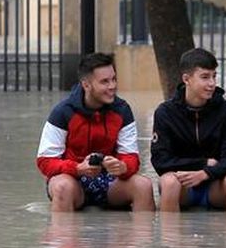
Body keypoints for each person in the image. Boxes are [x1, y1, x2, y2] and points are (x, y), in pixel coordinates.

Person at [36, 53, 155, 212]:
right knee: (63, 187)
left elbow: (131, 157)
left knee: (143, 186)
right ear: (86, 85)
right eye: (105, 81)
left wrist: (122, 166)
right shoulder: (62, 112)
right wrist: (78, 168)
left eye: (114, 79)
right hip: (72, 179)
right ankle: (62, 229)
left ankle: (145, 230)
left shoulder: (122, 110)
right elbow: (45, 161)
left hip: (110, 180)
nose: (112, 86)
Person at [151, 48, 226, 212]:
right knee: (168, 182)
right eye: (205, 77)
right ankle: (169, 230)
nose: (212, 83)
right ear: (186, 79)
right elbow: (160, 162)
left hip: (215, 184)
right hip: (182, 186)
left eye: (214, 76)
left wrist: (206, 172)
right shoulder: (165, 112)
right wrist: (202, 163)